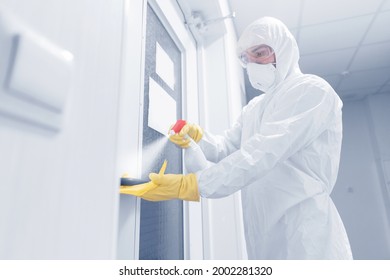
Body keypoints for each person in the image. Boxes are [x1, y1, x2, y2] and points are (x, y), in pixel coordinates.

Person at [121, 16, 353, 260]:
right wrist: (198, 137)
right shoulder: (255, 107)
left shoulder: (311, 90)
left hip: (307, 234)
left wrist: (191, 184)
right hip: (263, 233)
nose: (253, 63)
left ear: (283, 49)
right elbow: (227, 148)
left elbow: (261, 153)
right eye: (247, 58)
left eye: (260, 53)